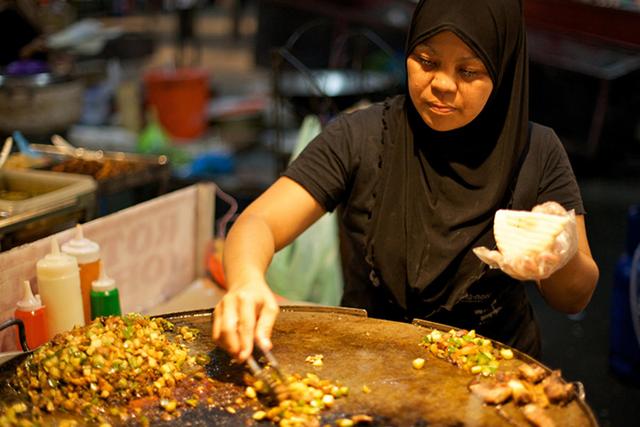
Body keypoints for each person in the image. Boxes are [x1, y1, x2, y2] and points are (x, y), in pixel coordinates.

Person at [212, 0, 599, 362]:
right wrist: (246, 281)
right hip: (371, 365)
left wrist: (559, 255)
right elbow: (258, 222)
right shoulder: (362, 137)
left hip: (495, 372)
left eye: (468, 71)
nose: (443, 84)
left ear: (503, 69)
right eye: (426, 61)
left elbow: (574, 299)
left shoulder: (537, 151)